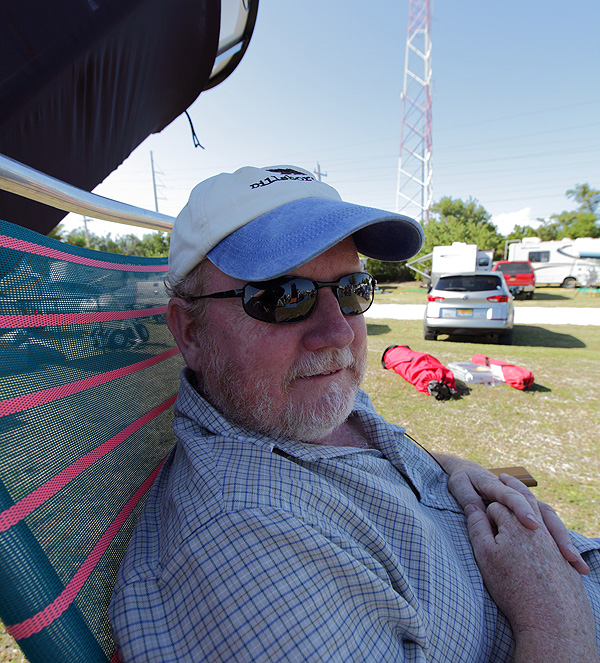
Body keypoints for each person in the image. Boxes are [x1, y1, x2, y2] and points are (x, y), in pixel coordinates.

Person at [109, 165, 600, 662]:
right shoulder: (248, 547)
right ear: (190, 331)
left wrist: (454, 470)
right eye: (283, 297)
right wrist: (555, 614)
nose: (340, 333)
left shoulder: (293, 405)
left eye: (352, 290)